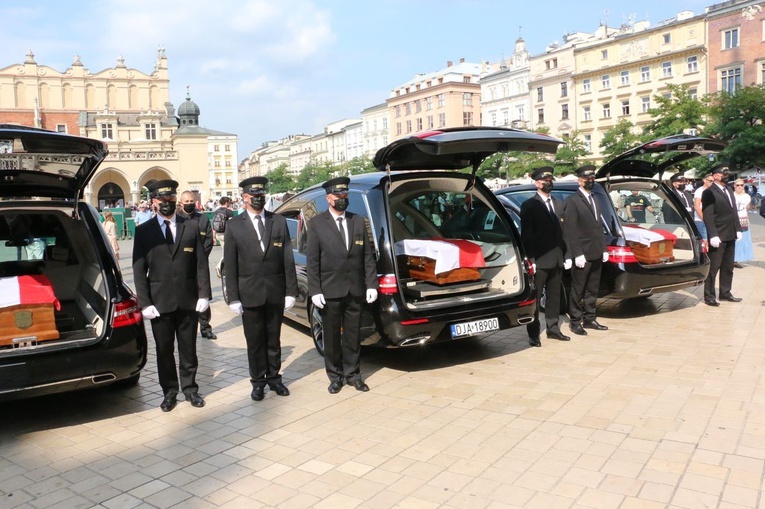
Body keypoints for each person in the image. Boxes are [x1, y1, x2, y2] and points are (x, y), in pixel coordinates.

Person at [132, 179, 212, 412]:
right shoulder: (144, 231)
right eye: (162, 200)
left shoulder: (190, 226)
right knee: (164, 350)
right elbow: (139, 269)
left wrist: (204, 294)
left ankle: (190, 389)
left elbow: (200, 263)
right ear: (154, 202)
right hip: (159, 301)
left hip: (188, 300)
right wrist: (144, 303)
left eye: (170, 200)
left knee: (189, 348)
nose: (167, 204)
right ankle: (169, 392)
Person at [224, 177, 298, 401]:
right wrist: (233, 297)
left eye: (261, 195)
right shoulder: (234, 225)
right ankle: (257, 382)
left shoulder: (278, 221)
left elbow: (287, 257)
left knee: (273, 339)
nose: (258, 198)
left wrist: (290, 291)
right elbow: (231, 263)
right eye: (254, 196)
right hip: (250, 293)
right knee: (255, 341)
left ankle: (275, 378)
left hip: (275, 291)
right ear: (244, 198)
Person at [306, 176, 378, 394]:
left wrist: (372, 284)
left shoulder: (357, 221)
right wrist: (315, 290)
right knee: (331, 336)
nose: (343, 199)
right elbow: (313, 260)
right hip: (330, 290)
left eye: (345, 195)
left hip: (354, 289)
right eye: (338, 196)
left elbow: (367, 256)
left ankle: (353, 374)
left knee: (353, 335)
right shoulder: (317, 224)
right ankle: (335, 376)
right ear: (329, 198)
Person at [520, 167, 571, 347]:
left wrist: (567, 255)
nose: (548, 183)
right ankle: (533, 333)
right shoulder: (529, 205)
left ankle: (553, 328)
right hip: (539, 260)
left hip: (556, 259)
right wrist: (530, 259)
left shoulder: (558, 203)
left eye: (550, 181)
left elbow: (563, 233)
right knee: (534, 299)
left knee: (554, 296)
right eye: (544, 181)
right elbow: (526, 235)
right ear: (536, 183)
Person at [562, 165, 609, 336]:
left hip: (596, 251)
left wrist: (603, 248)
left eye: (592, 179)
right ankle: (576, 321)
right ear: (579, 180)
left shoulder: (595, 198)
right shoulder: (572, 201)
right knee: (578, 289)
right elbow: (570, 230)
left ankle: (590, 318)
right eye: (586, 179)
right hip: (582, 253)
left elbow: (598, 227)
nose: (590, 181)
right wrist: (577, 253)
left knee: (592, 288)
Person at [701, 164, 743, 306]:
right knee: (714, 268)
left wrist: (738, 228)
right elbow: (708, 215)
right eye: (724, 173)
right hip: (718, 236)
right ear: (715, 176)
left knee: (728, 267)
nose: (727, 176)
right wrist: (712, 234)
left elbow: (734, 211)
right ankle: (709, 296)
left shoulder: (729, 190)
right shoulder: (709, 192)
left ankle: (725, 293)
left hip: (730, 234)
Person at [178, 191, 217, 340]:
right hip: (183, 266)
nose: (189, 203)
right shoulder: (178, 220)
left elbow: (208, 239)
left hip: (200, 266)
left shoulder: (203, 219)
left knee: (203, 296)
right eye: (186, 201)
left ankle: (205, 328)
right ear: (181, 203)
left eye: (191, 201)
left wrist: (200, 257)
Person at [732, 178, 754, 269]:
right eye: (738, 185)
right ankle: (731, 259)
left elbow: (747, 208)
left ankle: (736, 259)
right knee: (733, 240)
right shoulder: (732, 195)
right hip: (733, 220)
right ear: (734, 186)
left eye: (741, 185)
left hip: (743, 220)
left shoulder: (746, 196)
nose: (739, 187)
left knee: (742, 241)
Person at [693, 175, 713, 239]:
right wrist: (704, 218)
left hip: (711, 220)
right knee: (705, 241)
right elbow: (696, 206)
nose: (712, 183)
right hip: (701, 221)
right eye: (710, 181)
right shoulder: (699, 191)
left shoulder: (712, 190)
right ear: (704, 180)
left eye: (713, 181)